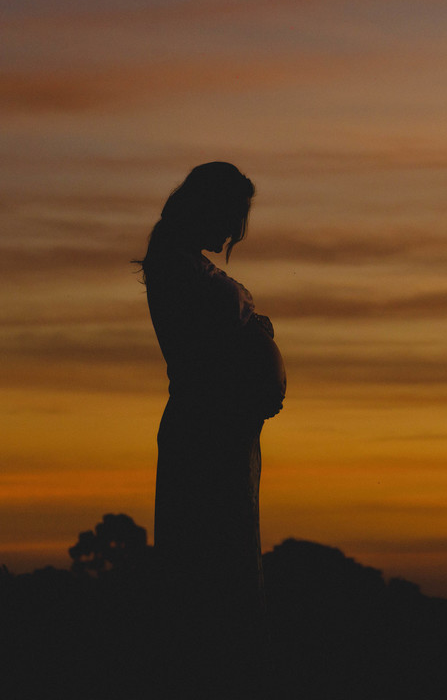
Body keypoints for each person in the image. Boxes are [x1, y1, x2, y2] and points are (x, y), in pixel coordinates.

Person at [135, 162, 285, 633]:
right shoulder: (175, 265)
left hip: (226, 428)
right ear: (207, 208)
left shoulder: (188, 265)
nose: (235, 230)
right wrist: (255, 333)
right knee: (209, 561)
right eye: (231, 215)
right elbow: (209, 343)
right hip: (206, 431)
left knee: (230, 550)